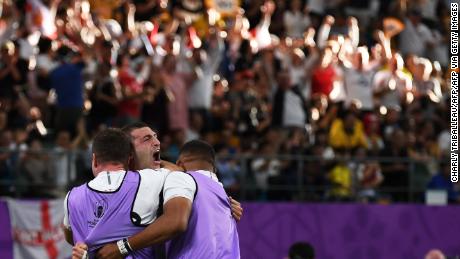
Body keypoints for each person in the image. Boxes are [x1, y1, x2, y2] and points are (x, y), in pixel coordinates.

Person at [71, 123, 242, 258]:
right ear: (128, 152)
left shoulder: (168, 177)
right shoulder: (99, 191)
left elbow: (185, 178)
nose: (157, 142)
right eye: (147, 139)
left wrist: (222, 201)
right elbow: (77, 234)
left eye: (155, 136)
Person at [64, 128, 197, 258]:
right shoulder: (147, 180)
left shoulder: (71, 197)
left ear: (94, 159)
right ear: (129, 159)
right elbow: (180, 172)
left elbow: (71, 236)